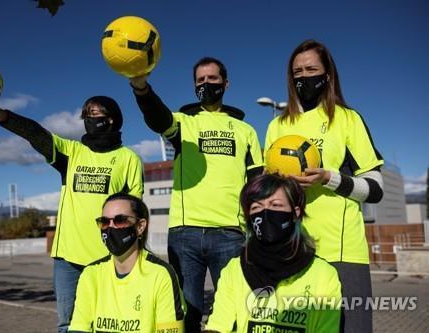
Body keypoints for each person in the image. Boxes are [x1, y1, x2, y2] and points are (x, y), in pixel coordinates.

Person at [0, 96, 144, 333]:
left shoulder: (128, 159)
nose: (90, 118)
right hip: (67, 259)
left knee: (108, 323)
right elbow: (36, 134)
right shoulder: (72, 152)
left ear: (111, 119)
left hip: (109, 257)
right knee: (68, 326)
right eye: (86, 114)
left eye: (96, 113)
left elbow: (134, 211)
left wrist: (135, 254)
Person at [129, 57, 263, 332]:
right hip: (184, 233)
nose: (206, 84)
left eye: (211, 79)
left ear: (225, 84)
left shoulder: (246, 130)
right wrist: (141, 88)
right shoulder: (183, 122)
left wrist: (257, 233)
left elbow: (257, 184)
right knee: (185, 315)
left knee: (234, 313)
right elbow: (158, 117)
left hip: (230, 233)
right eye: (200, 80)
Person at [263, 39, 384, 333]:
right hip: (292, 251)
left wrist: (328, 178)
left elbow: (376, 188)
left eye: (311, 69)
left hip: (343, 254)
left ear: (327, 74)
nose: (303, 76)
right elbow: (268, 191)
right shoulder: (277, 126)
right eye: (297, 71)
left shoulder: (346, 119)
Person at [204, 174, 341, 333]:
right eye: (256, 207)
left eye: (275, 205)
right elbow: (217, 327)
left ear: (295, 213)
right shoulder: (234, 270)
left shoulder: (324, 274)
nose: (265, 212)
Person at [69, 193, 185, 333]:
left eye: (120, 220)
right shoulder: (91, 274)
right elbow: (79, 328)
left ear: (140, 226)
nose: (110, 228)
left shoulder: (161, 275)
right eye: (105, 222)